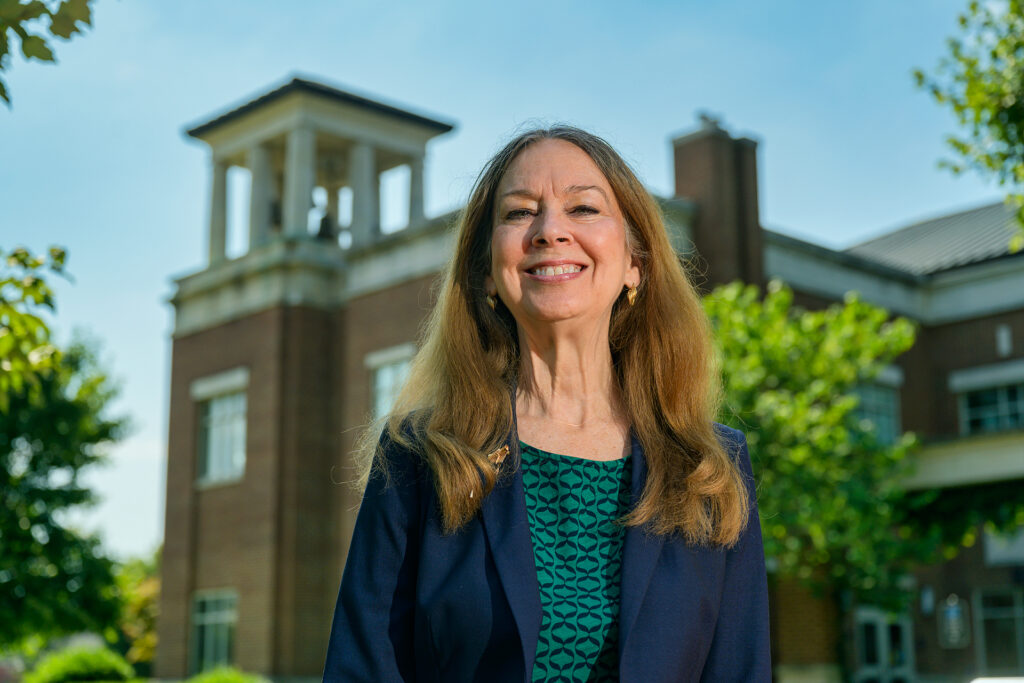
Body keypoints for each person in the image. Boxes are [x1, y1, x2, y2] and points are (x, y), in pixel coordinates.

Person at [322, 126, 770, 682]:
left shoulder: (710, 468)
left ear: (636, 264)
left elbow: (740, 670)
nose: (550, 231)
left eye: (583, 207)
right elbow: (362, 669)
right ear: (487, 270)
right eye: (518, 213)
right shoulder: (421, 455)